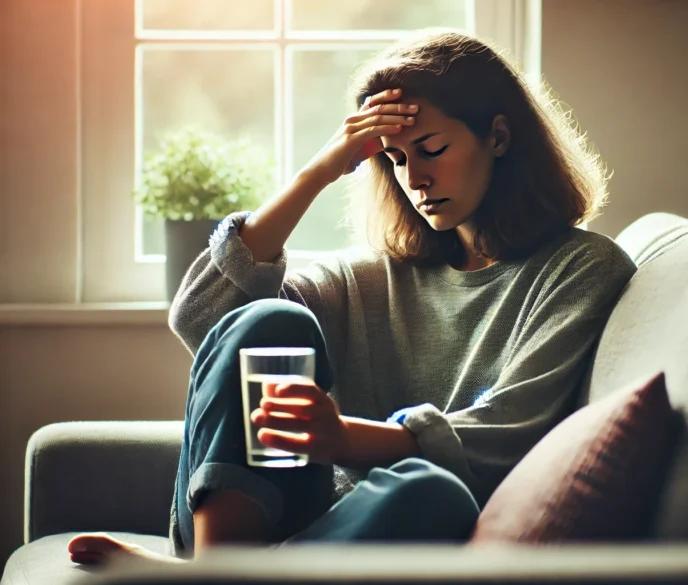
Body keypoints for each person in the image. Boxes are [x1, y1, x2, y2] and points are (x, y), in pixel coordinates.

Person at [68, 29, 636, 565]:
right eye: (394, 159)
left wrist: (345, 438)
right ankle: (220, 571)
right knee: (269, 318)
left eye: (431, 148)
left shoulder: (580, 269)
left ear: (499, 136)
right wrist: (318, 172)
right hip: (277, 516)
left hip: (375, 530)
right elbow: (203, 317)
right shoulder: (374, 279)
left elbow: (513, 432)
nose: (414, 179)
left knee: (434, 492)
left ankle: (223, 580)